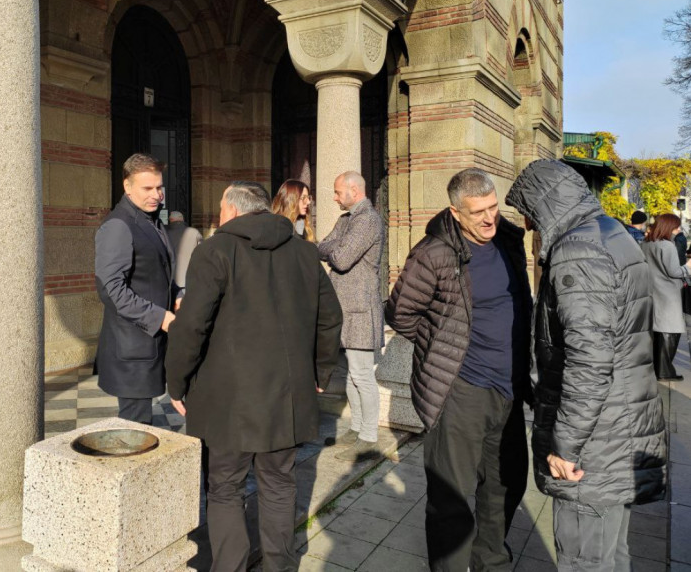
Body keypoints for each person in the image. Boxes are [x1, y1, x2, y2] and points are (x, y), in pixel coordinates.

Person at [166, 181, 342, 572]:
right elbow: (330, 318)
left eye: (221, 207)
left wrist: (176, 382)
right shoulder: (304, 252)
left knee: (225, 487)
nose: (219, 214)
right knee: (279, 485)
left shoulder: (214, 250)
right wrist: (321, 371)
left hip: (227, 400)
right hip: (285, 397)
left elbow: (191, 326)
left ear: (232, 209)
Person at [505, 159, 667, 572]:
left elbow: (589, 360)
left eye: (528, 212)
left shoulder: (577, 250)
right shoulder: (610, 232)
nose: (527, 224)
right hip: (617, 428)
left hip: (594, 444)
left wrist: (566, 447)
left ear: (543, 204)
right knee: (612, 555)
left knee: (585, 561)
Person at [385, 167, 532, 572]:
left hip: (510, 388)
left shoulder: (508, 241)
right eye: (477, 212)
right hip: (461, 390)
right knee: (451, 495)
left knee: (506, 483)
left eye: (493, 208)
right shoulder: (434, 253)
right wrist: (444, 347)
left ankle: (491, 562)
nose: (489, 219)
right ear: (455, 212)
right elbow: (400, 313)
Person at [94, 153, 178, 424]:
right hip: (132, 350)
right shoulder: (118, 225)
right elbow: (111, 290)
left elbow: (156, 274)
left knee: (144, 427)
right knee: (135, 428)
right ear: (127, 187)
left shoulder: (150, 220)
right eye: (148, 188)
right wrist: (160, 317)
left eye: (159, 187)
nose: (157, 195)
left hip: (150, 346)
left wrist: (178, 295)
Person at [317, 171, 385, 461]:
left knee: (361, 375)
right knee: (350, 374)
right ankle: (357, 428)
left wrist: (336, 247)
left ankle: (368, 438)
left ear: (354, 191)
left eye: (337, 192)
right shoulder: (346, 220)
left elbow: (342, 259)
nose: (334, 198)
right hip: (344, 308)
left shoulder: (368, 219)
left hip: (360, 308)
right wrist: (337, 246)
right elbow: (321, 246)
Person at [643, 213, 691, 381]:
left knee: (657, 330)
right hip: (668, 293)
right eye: (676, 227)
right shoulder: (667, 246)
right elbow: (674, 271)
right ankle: (665, 371)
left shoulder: (646, 244)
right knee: (671, 329)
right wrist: (688, 267)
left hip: (653, 290)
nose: (678, 230)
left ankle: (658, 369)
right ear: (668, 227)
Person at [166, 210, 202, 290]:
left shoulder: (164, 233)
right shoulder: (194, 232)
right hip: (189, 278)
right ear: (182, 219)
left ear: (170, 220)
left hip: (169, 279)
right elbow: (202, 254)